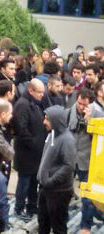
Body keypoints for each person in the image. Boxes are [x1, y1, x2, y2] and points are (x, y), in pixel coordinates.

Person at [67, 88, 104, 233]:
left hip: (88, 161)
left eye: (84, 105)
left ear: (91, 104)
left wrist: (89, 122)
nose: (80, 107)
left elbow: (98, 139)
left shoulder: (99, 114)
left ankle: (85, 226)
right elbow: (70, 127)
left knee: (87, 196)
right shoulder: (72, 109)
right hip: (72, 157)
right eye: (79, 103)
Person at [37, 105, 77, 234]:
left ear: (56, 121)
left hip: (59, 193)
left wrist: (50, 181)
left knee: (58, 227)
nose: (44, 122)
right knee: (43, 224)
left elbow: (68, 166)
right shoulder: (52, 135)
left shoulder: (67, 140)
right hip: (45, 190)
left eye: (47, 119)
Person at [12, 78, 48, 219]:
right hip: (26, 154)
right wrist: (33, 144)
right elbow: (21, 129)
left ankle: (32, 207)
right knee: (24, 183)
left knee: (34, 182)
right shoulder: (23, 105)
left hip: (35, 153)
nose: (42, 95)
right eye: (39, 92)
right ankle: (19, 208)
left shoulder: (35, 103)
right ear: (31, 90)